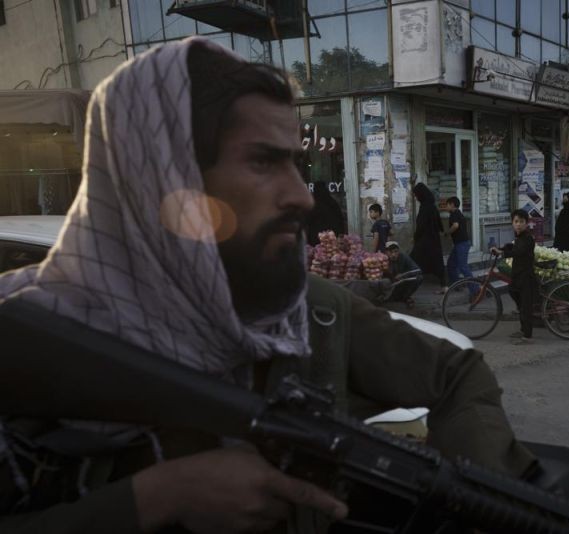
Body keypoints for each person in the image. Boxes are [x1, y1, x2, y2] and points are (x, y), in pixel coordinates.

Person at [0, 38, 539, 533]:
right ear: (168, 180)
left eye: (296, 163)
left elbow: (456, 373)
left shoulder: (308, 313)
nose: (302, 196)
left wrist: (477, 502)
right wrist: (156, 497)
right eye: (263, 160)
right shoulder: (29, 339)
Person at [491, 209, 537, 345]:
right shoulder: (519, 236)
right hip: (518, 274)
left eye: (521, 222)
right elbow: (513, 246)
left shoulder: (528, 238)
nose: (518, 224)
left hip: (526, 276)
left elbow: (519, 251)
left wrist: (503, 253)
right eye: (516, 222)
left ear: (526, 223)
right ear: (512, 223)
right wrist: (501, 248)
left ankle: (527, 336)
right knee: (513, 292)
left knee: (525, 307)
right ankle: (523, 329)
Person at [410, 183, 447, 293]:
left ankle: (407, 286)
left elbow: (421, 225)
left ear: (421, 195)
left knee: (411, 261)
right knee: (437, 262)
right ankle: (444, 286)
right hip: (433, 239)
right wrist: (440, 231)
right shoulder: (432, 206)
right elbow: (439, 222)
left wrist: (415, 238)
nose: (416, 198)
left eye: (416, 195)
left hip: (424, 241)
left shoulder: (425, 208)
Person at [444, 196, 473, 286]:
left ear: (452, 205)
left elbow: (455, 226)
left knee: (463, 267)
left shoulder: (454, 213)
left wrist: (447, 233)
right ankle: (456, 284)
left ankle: (476, 289)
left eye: (447, 205)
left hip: (462, 244)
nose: (446, 207)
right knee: (451, 264)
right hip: (459, 244)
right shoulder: (458, 213)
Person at [306, 180, 346, 245]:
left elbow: (308, 221)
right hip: (332, 236)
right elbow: (340, 219)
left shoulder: (313, 203)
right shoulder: (332, 202)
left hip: (316, 237)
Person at [385, 241, 423, 308]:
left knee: (419, 278)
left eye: (396, 251)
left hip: (402, 282)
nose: (393, 254)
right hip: (390, 286)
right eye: (391, 252)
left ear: (398, 251)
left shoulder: (403, 257)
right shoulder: (383, 259)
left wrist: (403, 275)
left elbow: (418, 270)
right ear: (386, 252)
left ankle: (405, 297)